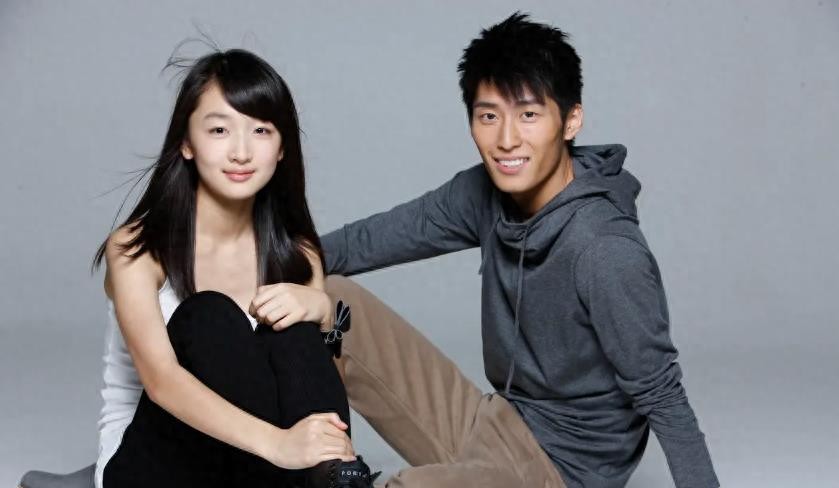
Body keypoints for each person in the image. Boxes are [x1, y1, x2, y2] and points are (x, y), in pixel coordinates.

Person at [320, 12, 720, 487]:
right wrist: (266, 261)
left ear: (570, 120)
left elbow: (662, 395)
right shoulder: (482, 194)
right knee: (325, 299)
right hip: (492, 423)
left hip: (558, 471)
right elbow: (366, 241)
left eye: (529, 115)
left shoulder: (603, 248)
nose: (506, 140)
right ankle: (311, 457)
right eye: (489, 116)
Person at [86, 49, 377, 488]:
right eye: (219, 130)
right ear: (187, 142)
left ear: (282, 147)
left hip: (255, 466)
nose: (241, 152)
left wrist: (321, 315)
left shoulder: (297, 253)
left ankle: (336, 481)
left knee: (296, 326)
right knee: (208, 316)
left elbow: (314, 399)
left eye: (261, 130)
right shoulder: (137, 248)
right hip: (155, 463)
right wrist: (280, 444)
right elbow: (161, 381)